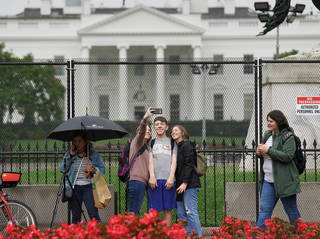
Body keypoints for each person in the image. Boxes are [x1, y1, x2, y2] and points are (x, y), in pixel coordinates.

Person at [256, 110, 301, 227]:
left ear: (278, 121)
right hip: (268, 181)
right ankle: (258, 235)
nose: (268, 123)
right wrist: (259, 153)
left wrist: (268, 150)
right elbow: (266, 155)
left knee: (291, 211)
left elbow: (288, 156)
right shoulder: (267, 135)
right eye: (267, 121)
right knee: (264, 211)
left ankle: (302, 233)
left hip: (285, 182)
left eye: (271, 121)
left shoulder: (288, 136)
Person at [60, 132, 105, 224]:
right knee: (76, 216)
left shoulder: (93, 154)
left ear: (85, 142)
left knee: (93, 213)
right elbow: (62, 169)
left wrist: (93, 170)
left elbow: (102, 169)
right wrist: (70, 156)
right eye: (75, 141)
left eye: (80, 141)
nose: (77, 144)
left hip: (88, 187)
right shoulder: (70, 154)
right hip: (74, 187)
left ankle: (98, 233)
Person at [171, 125, 202, 236]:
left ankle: (198, 236)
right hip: (179, 184)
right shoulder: (176, 147)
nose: (173, 132)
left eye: (176, 130)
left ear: (182, 133)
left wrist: (185, 182)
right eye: (172, 131)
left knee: (190, 211)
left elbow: (189, 165)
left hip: (189, 184)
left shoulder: (187, 145)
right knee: (180, 213)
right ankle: (188, 235)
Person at [148, 116, 177, 226]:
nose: (159, 126)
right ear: (154, 127)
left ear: (166, 127)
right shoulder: (151, 143)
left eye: (162, 124)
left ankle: (167, 234)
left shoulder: (172, 142)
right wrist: (151, 176)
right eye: (157, 124)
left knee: (167, 210)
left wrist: (171, 177)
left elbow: (174, 161)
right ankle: (156, 234)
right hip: (154, 180)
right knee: (154, 210)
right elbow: (150, 161)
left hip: (168, 180)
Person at [126, 108, 153, 214]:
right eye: (145, 130)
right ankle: (128, 231)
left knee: (149, 211)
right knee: (133, 211)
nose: (148, 132)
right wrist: (145, 118)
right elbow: (142, 131)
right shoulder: (137, 142)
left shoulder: (147, 147)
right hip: (136, 181)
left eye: (149, 131)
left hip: (144, 182)